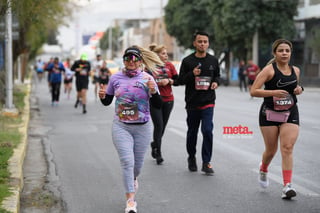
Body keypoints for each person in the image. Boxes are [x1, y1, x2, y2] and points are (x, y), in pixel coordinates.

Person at [99, 46, 162, 213]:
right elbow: (108, 101)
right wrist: (102, 97)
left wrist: (153, 91)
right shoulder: (115, 78)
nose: (131, 62)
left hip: (143, 127)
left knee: (137, 167)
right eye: (128, 59)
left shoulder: (147, 78)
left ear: (140, 61)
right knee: (127, 162)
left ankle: (133, 178)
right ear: (124, 60)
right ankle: (131, 202)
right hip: (121, 126)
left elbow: (158, 105)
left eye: (134, 59)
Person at [250, 39, 304, 199]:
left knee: (287, 148)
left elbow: (296, 88)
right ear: (275, 53)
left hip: (290, 112)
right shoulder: (269, 70)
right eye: (281, 50)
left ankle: (287, 186)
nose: (284, 53)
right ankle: (264, 168)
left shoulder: (296, 70)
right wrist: (273, 92)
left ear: (290, 53)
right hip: (270, 113)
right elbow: (253, 91)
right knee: (271, 150)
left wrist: (300, 89)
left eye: (287, 50)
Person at [178, 31, 220, 175]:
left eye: (205, 41)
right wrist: (192, 74)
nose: (203, 44)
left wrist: (215, 82)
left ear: (208, 43)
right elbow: (180, 80)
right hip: (192, 102)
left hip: (208, 101)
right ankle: (191, 157)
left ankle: (206, 162)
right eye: (200, 41)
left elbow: (217, 76)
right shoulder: (187, 61)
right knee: (192, 133)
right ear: (194, 43)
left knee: (207, 130)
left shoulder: (213, 60)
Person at [149, 43, 179, 165]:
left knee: (163, 127)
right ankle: (158, 153)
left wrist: (170, 81)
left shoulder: (170, 66)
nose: (166, 56)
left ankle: (154, 144)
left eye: (166, 54)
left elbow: (178, 80)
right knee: (159, 126)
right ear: (156, 55)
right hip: (155, 100)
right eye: (163, 53)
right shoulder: (150, 67)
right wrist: (156, 83)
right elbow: (145, 81)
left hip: (168, 100)